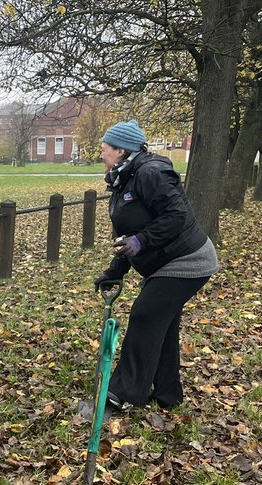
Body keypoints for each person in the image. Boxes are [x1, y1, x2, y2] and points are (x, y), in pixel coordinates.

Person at [93, 120, 218, 412]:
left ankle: (123, 393)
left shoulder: (151, 172)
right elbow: (129, 233)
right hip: (165, 261)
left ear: (121, 150)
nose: (101, 155)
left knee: (145, 316)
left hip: (188, 260)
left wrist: (142, 240)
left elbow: (176, 215)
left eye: (104, 149)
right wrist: (116, 270)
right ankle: (167, 393)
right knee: (162, 323)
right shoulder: (125, 177)